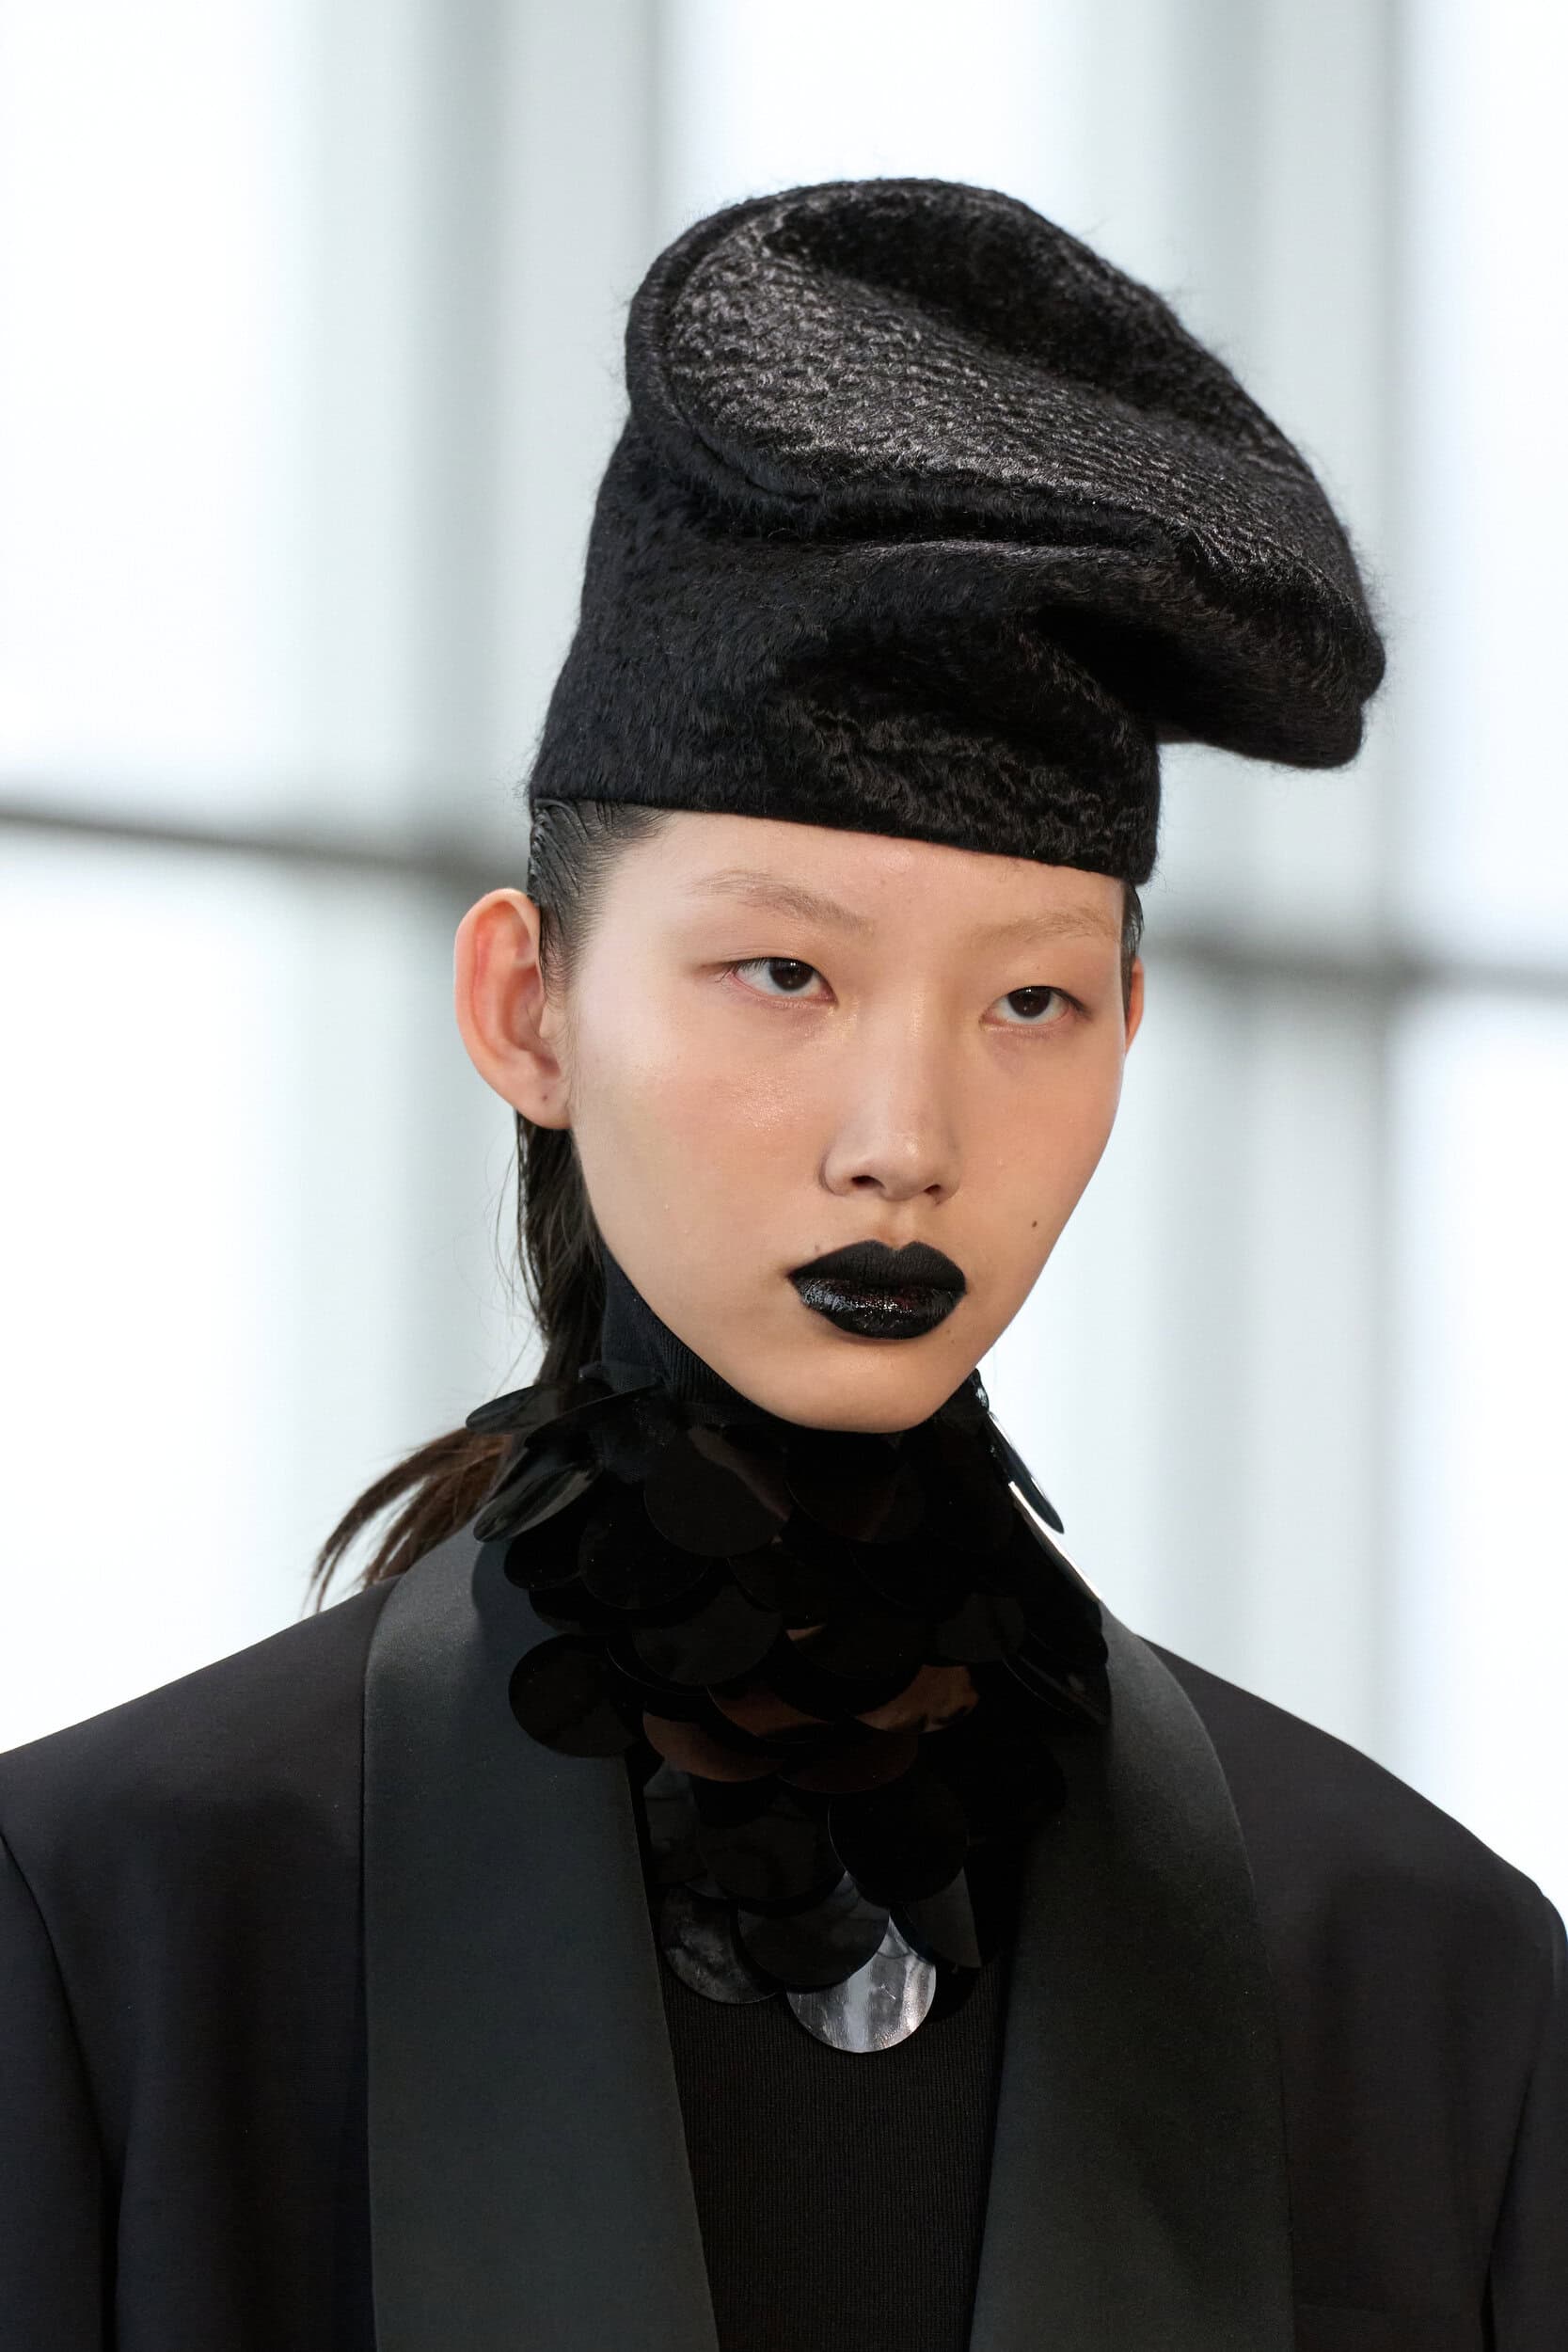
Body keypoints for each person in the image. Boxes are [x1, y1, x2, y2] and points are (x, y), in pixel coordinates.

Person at [1, 176, 1562, 2352]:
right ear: (528, 1005)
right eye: (781, 972)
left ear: (1131, 1028)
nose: (903, 1137)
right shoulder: (118, 1930)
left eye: (1031, 1001)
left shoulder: (1420, 1979)